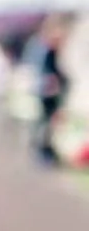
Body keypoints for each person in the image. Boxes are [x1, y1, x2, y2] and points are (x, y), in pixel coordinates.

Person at [33, 11, 76, 164]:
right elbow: (47, 75)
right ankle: (45, 152)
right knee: (47, 122)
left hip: (51, 92)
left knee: (50, 123)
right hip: (48, 93)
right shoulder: (46, 51)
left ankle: (48, 151)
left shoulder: (51, 51)